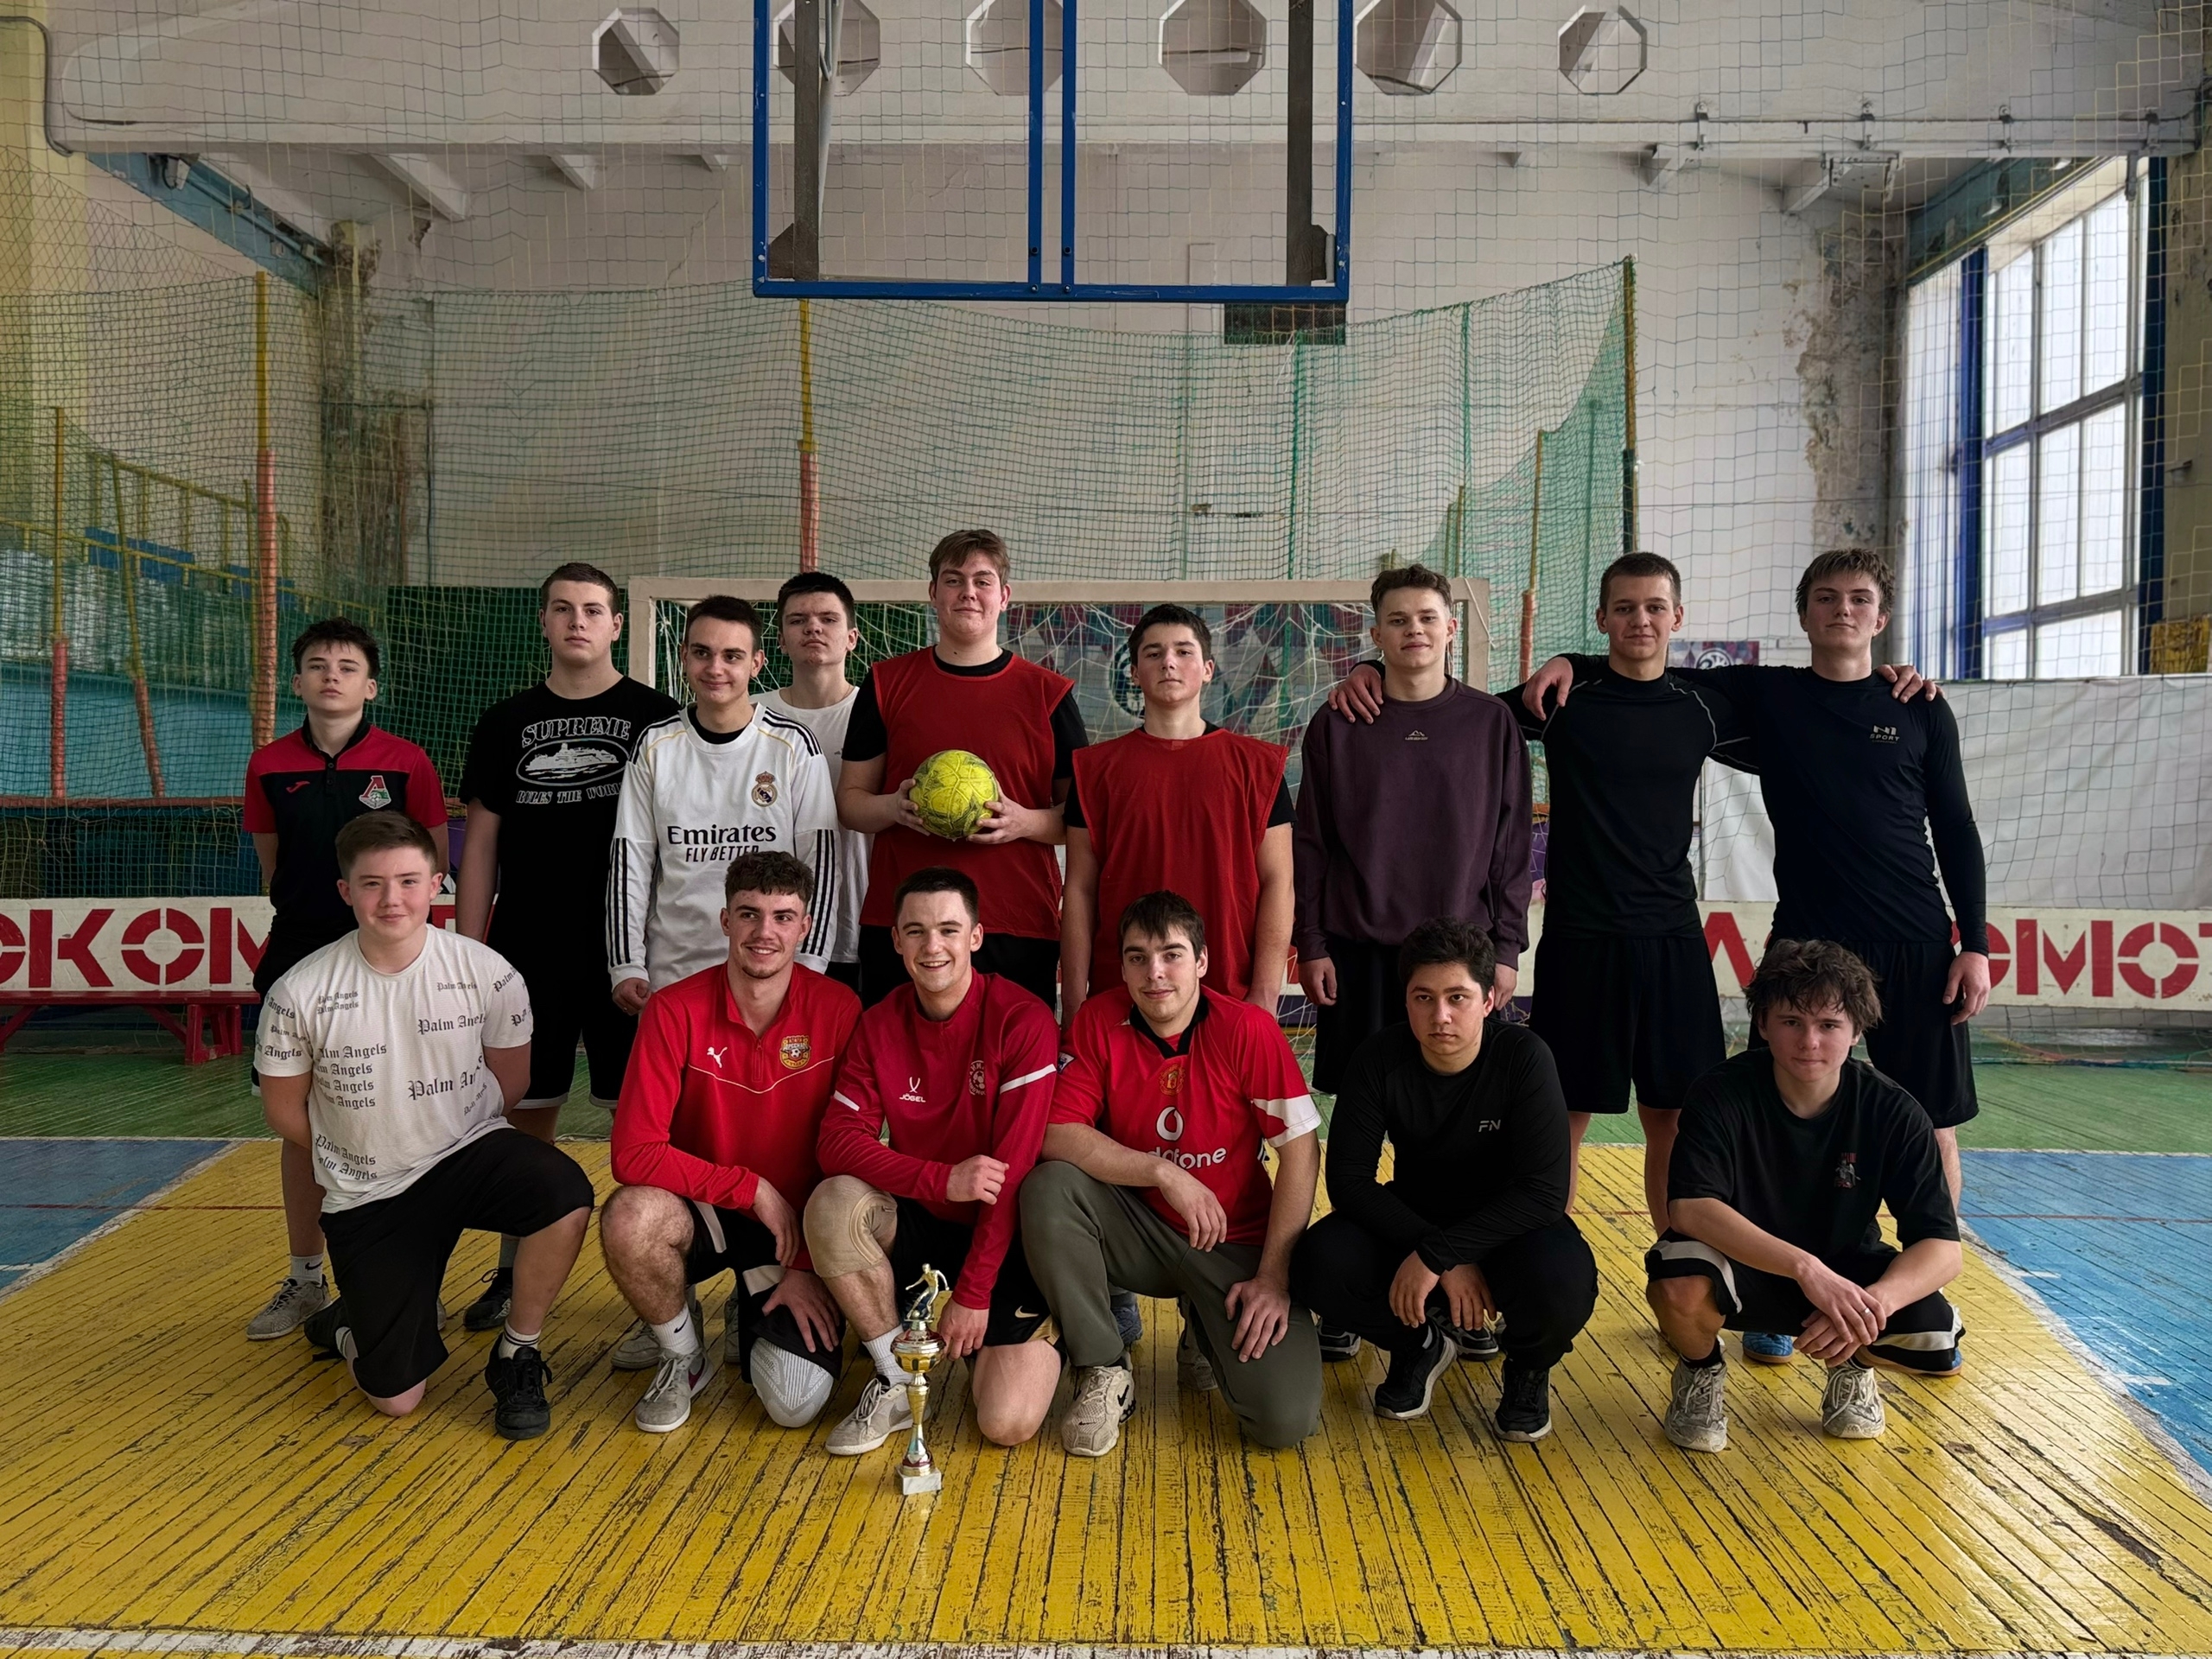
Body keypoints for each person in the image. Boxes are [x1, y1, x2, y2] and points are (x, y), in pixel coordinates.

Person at [1523, 548, 1980, 1364]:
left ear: (1881, 617)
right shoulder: (1767, 695)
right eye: (1826, 598)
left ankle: (1913, 1290)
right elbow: (1642, 668)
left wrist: (1972, 941)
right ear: (1803, 614)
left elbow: (1956, 826)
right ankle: (1739, 1286)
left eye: (1860, 598)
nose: (1843, 610)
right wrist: (1571, 660)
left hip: (1915, 939)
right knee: (1773, 1117)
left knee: (1933, 1126)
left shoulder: (1917, 706)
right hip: (1805, 941)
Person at [256, 811, 595, 1440]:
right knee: (397, 1399)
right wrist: (364, 1145)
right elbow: (282, 1110)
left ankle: (517, 1350)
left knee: (564, 1193)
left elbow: (511, 1083)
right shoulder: (299, 991)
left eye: (409, 881)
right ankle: (349, 1325)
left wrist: (443, 1133)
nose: (392, 899)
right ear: (346, 891)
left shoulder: (488, 972)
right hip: (370, 1192)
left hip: (467, 1156)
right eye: (373, 883)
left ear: (437, 883)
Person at [454, 562, 679, 1333]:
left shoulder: (658, 716)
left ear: (617, 623)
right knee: (527, 1113)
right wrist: (468, 955)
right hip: (527, 950)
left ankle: (652, 1281)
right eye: (562, 608)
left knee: (640, 1125)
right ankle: (511, 1273)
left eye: (592, 609)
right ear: (544, 622)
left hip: (629, 954)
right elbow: (481, 845)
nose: (577, 621)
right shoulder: (505, 722)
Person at [1024, 890, 1324, 1458]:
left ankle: (1205, 1325)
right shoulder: (1099, 1020)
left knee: (1284, 1420)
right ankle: (1104, 1367)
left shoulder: (1247, 1029)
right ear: (1123, 967)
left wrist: (1273, 1277)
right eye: (1137, 957)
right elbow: (1054, 1133)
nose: (1154, 973)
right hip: (1138, 1228)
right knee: (1049, 1188)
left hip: (1232, 1239)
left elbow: (1302, 1152)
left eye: (1171, 955)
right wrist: (1161, 1172)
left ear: (1202, 961)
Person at [1647, 938, 1964, 1452]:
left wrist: (1870, 1309)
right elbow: (1689, 1208)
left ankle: (1853, 1365)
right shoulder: (1721, 1092)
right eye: (1792, 1021)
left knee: (1934, 1335)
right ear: (1763, 1024)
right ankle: (1700, 1371)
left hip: (1845, 1276)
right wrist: (1805, 1268)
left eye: (1829, 1025)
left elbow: (1943, 1248)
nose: (1809, 1041)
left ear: (1857, 1031)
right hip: (1745, 1267)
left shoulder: (1893, 1111)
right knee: (1676, 1278)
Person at [1290, 918, 1597, 1441]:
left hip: (1509, 1227)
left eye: (1457, 997)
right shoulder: (1378, 1059)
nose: (1441, 1016)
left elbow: (1545, 1192)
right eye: (1424, 998)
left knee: (1564, 1282)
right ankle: (1420, 1345)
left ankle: (1527, 1368)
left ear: (1488, 1000)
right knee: (1317, 1262)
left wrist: (1441, 1256)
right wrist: (1439, 1254)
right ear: (1406, 1001)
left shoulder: (1524, 1058)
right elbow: (1349, 1182)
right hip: (1414, 1218)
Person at [803, 867, 1064, 1454]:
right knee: (833, 1202)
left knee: (1006, 1423)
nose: (932, 946)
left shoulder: (1021, 1020)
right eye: (916, 931)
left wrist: (973, 1295)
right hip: (924, 1217)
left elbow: (1012, 1176)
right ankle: (895, 1375)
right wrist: (941, 1180)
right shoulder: (879, 1023)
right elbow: (836, 1141)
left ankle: (1041, 1333)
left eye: (948, 929)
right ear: (896, 940)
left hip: (1006, 1235)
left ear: (976, 936)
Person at [601, 851, 861, 1433]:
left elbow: (853, 1149)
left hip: (795, 1226)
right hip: (708, 1210)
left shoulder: (839, 1008)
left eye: (782, 916)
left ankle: (754, 1302)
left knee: (793, 1406)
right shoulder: (673, 1009)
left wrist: (807, 1264)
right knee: (630, 1218)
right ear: (725, 920)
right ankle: (681, 1354)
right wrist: (749, 1189)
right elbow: (633, 1153)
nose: (764, 932)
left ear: (805, 926)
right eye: (749, 914)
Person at [242, 617, 448, 1342]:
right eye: (319, 665)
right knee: (303, 1128)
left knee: (409, 1121)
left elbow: (430, 863)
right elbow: (273, 865)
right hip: (300, 954)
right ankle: (306, 1278)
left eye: (348, 666)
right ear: (297, 681)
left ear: (371, 685)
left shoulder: (407, 763)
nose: (333, 675)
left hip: (393, 962)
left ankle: (413, 1280)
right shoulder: (268, 765)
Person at [1294, 563, 1530, 1097]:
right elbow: (1312, 846)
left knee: (1455, 1112)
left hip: (1461, 957)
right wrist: (1311, 943)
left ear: (1451, 628)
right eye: (1398, 620)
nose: (1414, 629)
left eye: (1427, 617)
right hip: (1359, 955)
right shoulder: (1337, 724)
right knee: (1360, 1111)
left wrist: (1506, 949)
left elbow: (1510, 851)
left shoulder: (1491, 722)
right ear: (1377, 635)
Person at [836, 529, 1086, 1011]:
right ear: (934, 593)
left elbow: (1079, 819)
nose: (968, 592)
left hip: (1015, 921)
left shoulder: (1049, 694)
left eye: (982, 581)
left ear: (1004, 596)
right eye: (953, 580)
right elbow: (851, 803)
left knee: (1009, 1058)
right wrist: (894, 808)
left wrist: (1023, 822)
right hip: (906, 924)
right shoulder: (886, 684)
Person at [1061, 603, 1293, 1019]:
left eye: (1183, 651)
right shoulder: (1093, 770)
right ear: (1134, 673)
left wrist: (1264, 994)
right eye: (1153, 653)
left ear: (1208, 669)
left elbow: (1279, 883)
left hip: (1230, 996)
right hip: (1123, 997)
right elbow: (1079, 889)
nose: (1168, 662)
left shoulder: (1260, 767)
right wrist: (1076, 1002)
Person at [608, 595, 839, 1007]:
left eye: (732, 656)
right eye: (702, 653)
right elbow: (631, 859)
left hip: (771, 972)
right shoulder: (656, 746)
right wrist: (626, 964)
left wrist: (809, 965)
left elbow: (820, 863)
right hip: (674, 972)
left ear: (756, 663)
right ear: (684, 656)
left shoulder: (792, 746)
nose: (715, 668)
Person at [756, 571, 870, 992]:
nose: (813, 628)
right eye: (798, 620)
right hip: (772, 929)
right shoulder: (750, 717)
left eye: (828, 619)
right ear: (781, 641)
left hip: (864, 920)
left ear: (852, 637)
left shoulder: (878, 715)